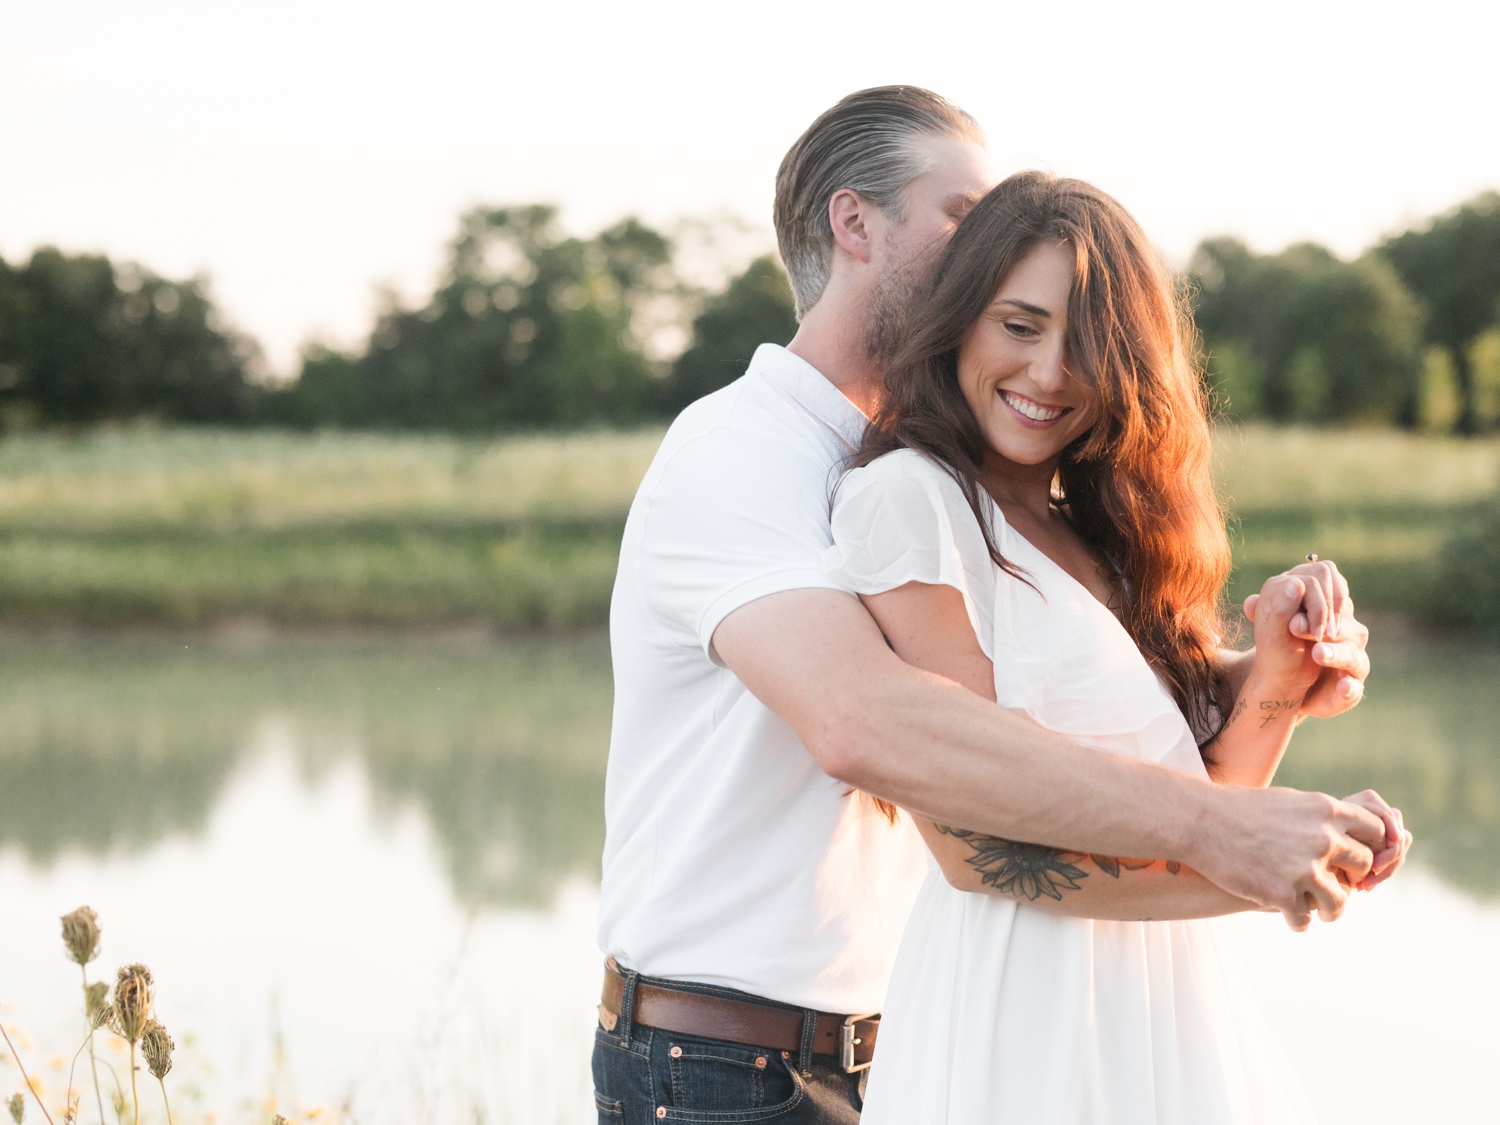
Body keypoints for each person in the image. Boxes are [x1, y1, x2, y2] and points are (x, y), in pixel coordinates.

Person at [592, 87, 1405, 1124]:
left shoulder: (975, 486)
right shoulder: (743, 454)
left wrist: (1267, 686)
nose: (997, 235)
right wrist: (1231, 835)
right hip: (720, 1058)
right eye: (963, 215)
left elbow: (1064, 728)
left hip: (901, 1030)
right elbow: (868, 724)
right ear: (855, 224)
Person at [828, 170, 1410, 1123]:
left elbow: (1218, 798)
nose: (1050, 372)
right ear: (960, 322)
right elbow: (974, 846)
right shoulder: (910, 502)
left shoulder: (1099, 531)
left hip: (1169, 996)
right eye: (1019, 326)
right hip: (1021, 1011)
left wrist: (1277, 671)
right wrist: (1265, 872)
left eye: (1087, 343)